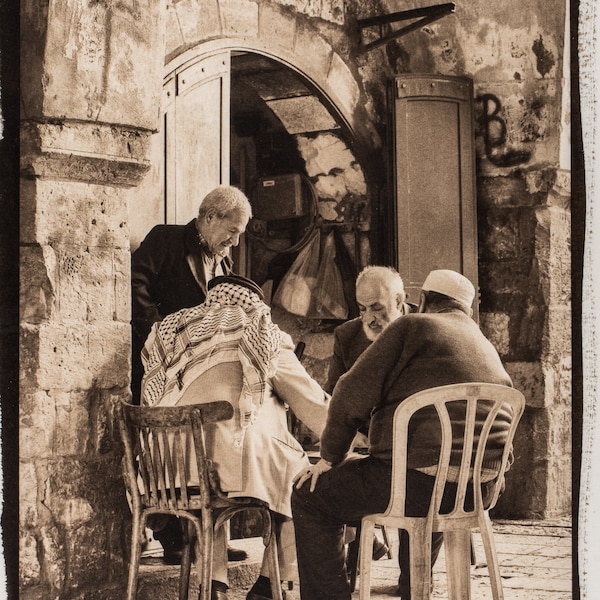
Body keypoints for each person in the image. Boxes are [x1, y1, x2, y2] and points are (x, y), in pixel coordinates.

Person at [291, 269, 514, 600]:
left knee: (310, 494)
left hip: (418, 485)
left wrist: (329, 458)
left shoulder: (412, 326)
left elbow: (349, 391)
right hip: (480, 491)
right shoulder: (482, 342)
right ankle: (416, 590)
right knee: (423, 472)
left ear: (420, 301)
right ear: (465, 310)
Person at [141, 275, 330, 600]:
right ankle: (269, 585)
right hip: (232, 461)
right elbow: (312, 406)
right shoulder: (263, 332)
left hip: (163, 468)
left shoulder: (172, 331)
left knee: (211, 498)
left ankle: (214, 585)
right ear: (254, 304)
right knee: (304, 486)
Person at [131, 185, 252, 563]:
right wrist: (159, 338)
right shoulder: (166, 239)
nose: (234, 241)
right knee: (161, 449)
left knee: (201, 452)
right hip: (159, 367)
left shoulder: (224, 263)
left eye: (239, 234)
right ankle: (172, 538)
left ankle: (209, 539)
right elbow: (135, 285)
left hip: (199, 375)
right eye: (231, 231)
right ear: (209, 216)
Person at [325, 266, 416, 562]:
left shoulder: (423, 326)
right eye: (362, 308)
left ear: (400, 301)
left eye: (377, 308)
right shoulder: (348, 336)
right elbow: (333, 396)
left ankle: (412, 581)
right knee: (325, 478)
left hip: (415, 441)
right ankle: (361, 541)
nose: (369, 318)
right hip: (368, 438)